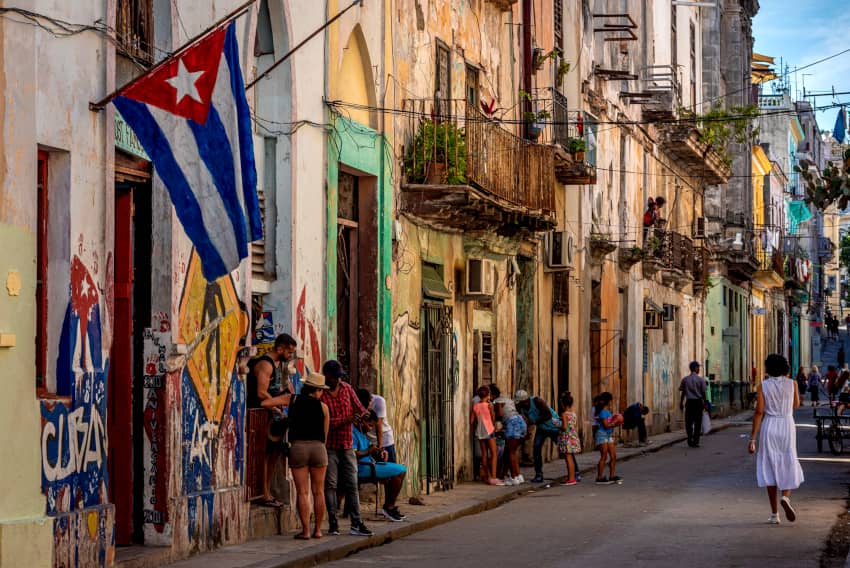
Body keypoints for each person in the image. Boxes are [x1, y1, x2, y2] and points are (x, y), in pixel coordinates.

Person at [748, 354, 804, 524]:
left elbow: (759, 412)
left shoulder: (763, 386)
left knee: (769, 466)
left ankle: (774, 514)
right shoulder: (792, 384)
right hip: (787, 424)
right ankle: (786, 497)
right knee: (788, 460)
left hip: (769, 425)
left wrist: (752, 439)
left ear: (768, 368)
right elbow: (795, 405)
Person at [321, 360, 373, 537]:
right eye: (334, 377)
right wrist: (344, 420)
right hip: (330, 446)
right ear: (327, 376)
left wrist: (365, 416)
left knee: (352, 484)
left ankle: (356, 522)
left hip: (347, 444)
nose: (337, 380)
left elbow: (359, 406)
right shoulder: (321, 394)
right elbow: (323, 422)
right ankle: (333, 522)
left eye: (338, 377)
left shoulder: (347, 388)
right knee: (331, 485)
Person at [246, 333, 298, 507]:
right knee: (264, 456)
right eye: (289, 352)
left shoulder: (279, 364)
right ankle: (263, 494)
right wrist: (276, 406)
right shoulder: (265, 365)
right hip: (262, 416)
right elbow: (261, 393)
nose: (290, 356)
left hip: (273, 417)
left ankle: (266, 492)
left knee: (273, 454)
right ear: (280, 348)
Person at [287, 372, 330, 539]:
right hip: (318, 448)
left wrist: (280, 412)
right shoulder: (324, 408)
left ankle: (305, 531)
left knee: (303, 492)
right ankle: (318, 530)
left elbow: (266, 401)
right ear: (318, 390)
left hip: (298, 448)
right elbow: (324, 436)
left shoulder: (293, 400)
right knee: (319, 492)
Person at [353, 413, 407, 522]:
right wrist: (369, 451)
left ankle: (389, 506)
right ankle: (389, 507)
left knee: (401, 470)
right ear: (362, 421)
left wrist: (380, 452)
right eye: (370, 425)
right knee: (399, 471)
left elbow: (370, 448)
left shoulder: (362, 433)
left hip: (370, 464)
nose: (370, 429)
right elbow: (353, 455)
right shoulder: (353, 432)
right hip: (362, 468)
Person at [515, 390, 562, 483]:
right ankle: (539, 475)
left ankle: (575, 471)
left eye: (520, 402)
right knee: (536, 448)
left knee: (564, 448)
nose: (519, 404)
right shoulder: (521, 407)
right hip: (541, 428)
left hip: (553, 427)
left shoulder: (537, 401)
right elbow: (526, 420)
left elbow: (548, 415)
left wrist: (534, 422)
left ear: (526, 400)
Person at [492, 385, 527, 485]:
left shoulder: (497, 401)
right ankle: (518, 476)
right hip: (520, 421)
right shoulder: (508, 400)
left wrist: (495, 421)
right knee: (513, 451)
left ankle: (513, 477)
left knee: (510, 452)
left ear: (492, 395)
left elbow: (500, 414)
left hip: (512, 423)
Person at [470, 386, 502, 486]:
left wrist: (478, 424)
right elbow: (492, 418)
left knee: (484, 455)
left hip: (479, 431)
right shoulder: (489, 405)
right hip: (489, 430)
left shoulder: (475, 406)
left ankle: (487, 477)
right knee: (494, 454)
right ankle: (493, 477)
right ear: (488, 395)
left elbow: (471, 421)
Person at [356, 388, 396, 463]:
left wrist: (380, 449)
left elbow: (378, 427)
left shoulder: (379, 401)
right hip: (369, 443)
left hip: (384, 440)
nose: (368, 409)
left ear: (371, 399)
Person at [594, 392, 622, 484]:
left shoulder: (608, 412)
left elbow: (609, 424)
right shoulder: (603, 412)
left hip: (608, 435)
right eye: (611, 400)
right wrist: (615, 422)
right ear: (608, 401)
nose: (611, 402)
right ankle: (599, 477)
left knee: (613, 456)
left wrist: (616, 422)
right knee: (604, 456)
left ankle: (612, 476)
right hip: (602, 435)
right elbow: (606, 425)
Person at [680, 361, 707, 448]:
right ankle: (695, 441)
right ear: (695, 368)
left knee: (689, 422)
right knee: (698, 422)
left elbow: (683, 392)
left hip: (689, 403)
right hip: (698, 403)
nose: (699, 369)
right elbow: (703, 393)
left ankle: (689, 438)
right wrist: (705, 403)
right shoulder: (701, 380)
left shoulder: (685, 379)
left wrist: (681, 402)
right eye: (698, 367)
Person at [558, 392, 581, 486]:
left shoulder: (564, 414)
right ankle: (571, 478)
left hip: (566, 437)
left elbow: (564, 427)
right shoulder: (573, 414)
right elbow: (573, 426)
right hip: (573, 436)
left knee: (568, 458)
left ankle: (571, 479)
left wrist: (557, 425)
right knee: (570, 457)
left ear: (563, 404)